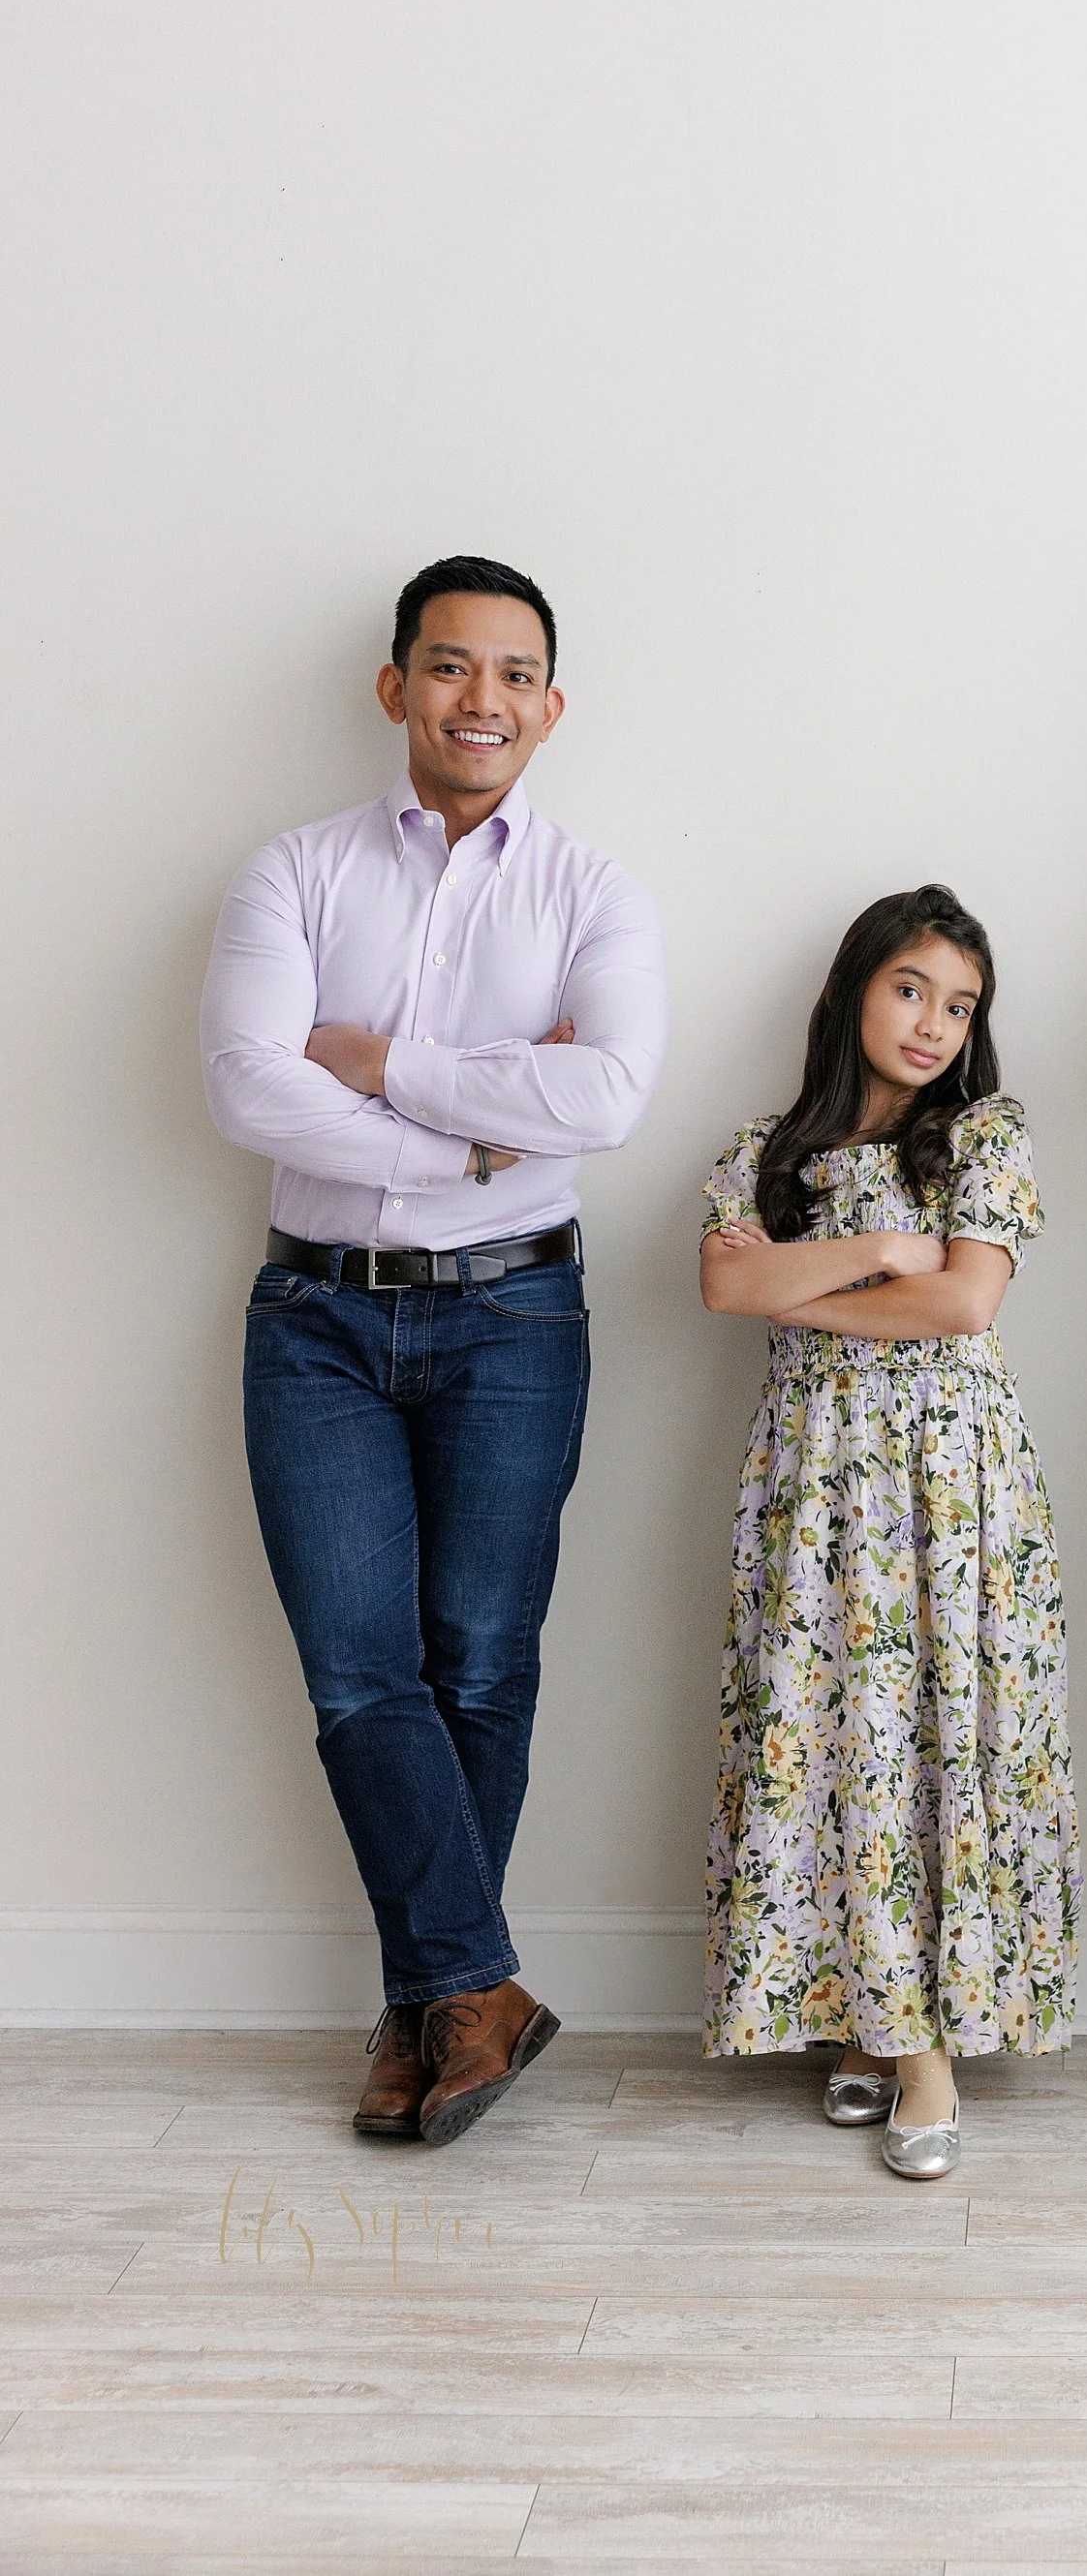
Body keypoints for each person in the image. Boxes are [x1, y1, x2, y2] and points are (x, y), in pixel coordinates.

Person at [202, 555, 666, 2145]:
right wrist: (470, 1135)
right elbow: (251, 1088)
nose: (484, 699)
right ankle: (474, 1986)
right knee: (356, 1670)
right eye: (451, 668)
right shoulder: (294, 872)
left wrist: (387, 1071)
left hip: (517, 1312)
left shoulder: (592, 892)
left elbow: (604, 1100)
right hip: (315, 1318)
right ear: (397, 687)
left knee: (480, 1660)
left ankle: (427, 2011)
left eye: (515, 671)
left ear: (551, 703)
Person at [698, 886, 1078, 2180]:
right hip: (814, 1477)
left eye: (958, 1002)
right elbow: (723, 1283)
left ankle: (926, 2047)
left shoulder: (986, 1132)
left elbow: (966, 1304)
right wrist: (884, 1249)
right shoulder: (764, 1150)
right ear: (854, 988)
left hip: (949, 1482)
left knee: (931, 1733)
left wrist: (817, 1285)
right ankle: (859, 2012)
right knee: (831, 1737)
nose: (932, 1021)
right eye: (911, 986)